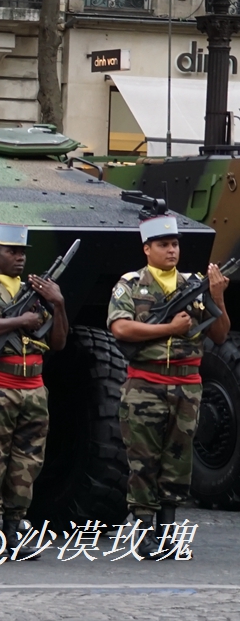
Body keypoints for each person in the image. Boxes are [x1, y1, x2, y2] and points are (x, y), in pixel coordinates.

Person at [108, 213, 229, 543]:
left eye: (175, 244)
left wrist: (217, 297)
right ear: (147, 249)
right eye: (163, 245)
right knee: (143, 459)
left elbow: (219, 335)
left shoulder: (192, 285)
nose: (172, 251)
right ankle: (144, 529)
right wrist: (169, 329)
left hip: (187, 386)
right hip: (146, 383)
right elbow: (120, 327)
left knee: (178, 459)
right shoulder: (131, 284)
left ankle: (167, 530)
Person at [0, 223, 67, 544]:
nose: (19, 258)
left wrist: (58, 303)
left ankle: (14, 525)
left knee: (27, 461)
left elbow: (59, 342)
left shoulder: (34, 292)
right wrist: (20, 321)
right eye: (12, 251)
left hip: (33, 387)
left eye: (22, 252)